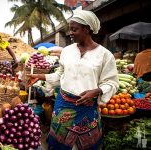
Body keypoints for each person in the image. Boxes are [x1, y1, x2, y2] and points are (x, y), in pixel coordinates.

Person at [27, 10, 119, 150]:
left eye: (74, 29)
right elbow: (60, 75)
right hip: (63, 106)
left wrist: (97, 91)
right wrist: (40, 76)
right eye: (70, 29)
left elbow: (112, 83)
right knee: (59, 143)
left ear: (87, 29)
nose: (70, 33)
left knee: (87, 145)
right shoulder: (67, 51)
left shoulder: (105, 55)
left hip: (87, 109)